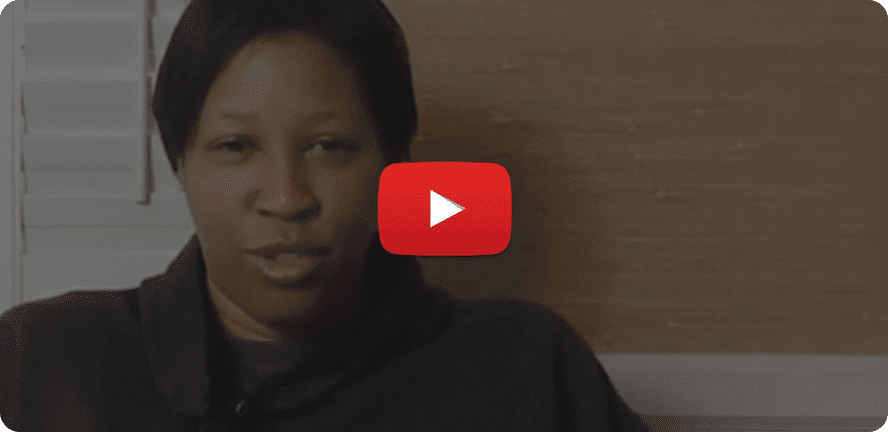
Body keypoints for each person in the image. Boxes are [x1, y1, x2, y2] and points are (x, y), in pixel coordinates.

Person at [0, 0, 652, 430]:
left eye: (330, 147)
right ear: (181, 163)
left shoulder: (525, 366)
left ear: (394, 162)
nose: (287, 198)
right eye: (235, 147)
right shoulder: (39, 363)